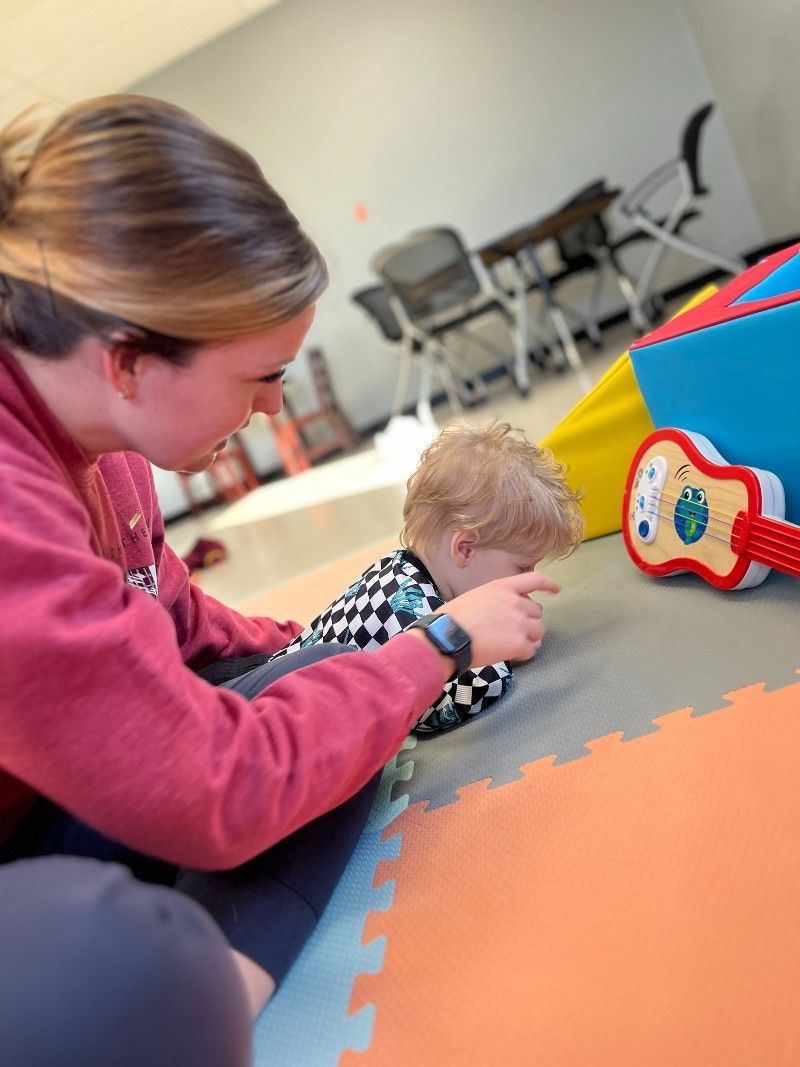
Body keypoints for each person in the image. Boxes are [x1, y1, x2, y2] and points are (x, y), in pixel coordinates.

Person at [0, 94, 559, 1065]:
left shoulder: (110, 445)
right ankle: (218, 994)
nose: (270, 406)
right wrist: (432, 648)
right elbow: (218, 781)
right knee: (301, 746)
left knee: (328, 695)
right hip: (32, 862)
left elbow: (173, 620)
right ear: (129, 363)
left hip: (63, 787)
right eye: (260, 375)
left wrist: (330, 648)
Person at [271, 421, 582, 732]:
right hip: (281, 717)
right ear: (465, 548)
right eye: (521, 568)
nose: (528, 580)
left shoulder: (399, 568)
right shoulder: (406, 604)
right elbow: (437, 708)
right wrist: (501, 653)